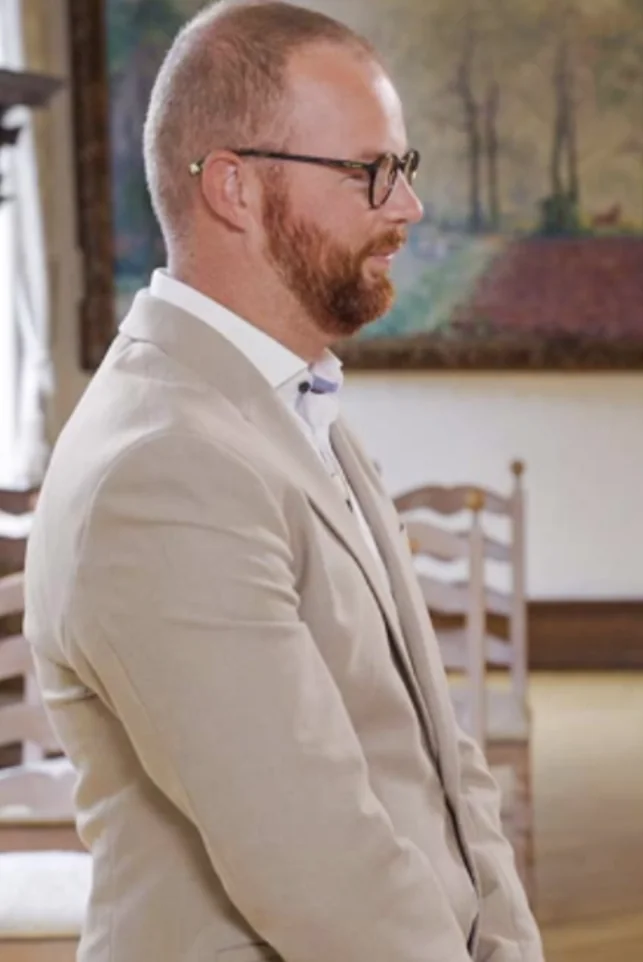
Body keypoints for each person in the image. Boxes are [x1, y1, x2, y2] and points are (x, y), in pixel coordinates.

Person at [22, 2, 542, 959]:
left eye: (405, 167)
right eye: (368, 172)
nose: (407, 208)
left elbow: (443, 760)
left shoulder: (289, 402)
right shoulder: (161, 468)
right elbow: (322, 876)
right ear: (235, 187)